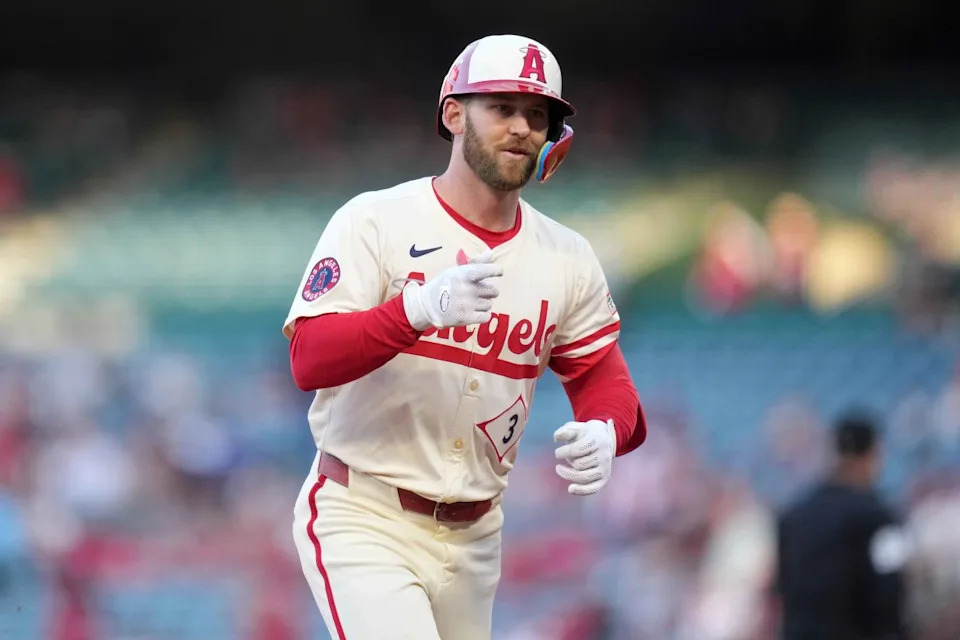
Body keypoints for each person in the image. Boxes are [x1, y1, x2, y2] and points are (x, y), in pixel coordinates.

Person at [281, 34, 647, 640]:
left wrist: (609, 429)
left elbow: (606, 380)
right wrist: (416, 309)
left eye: (538, 114)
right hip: (364, 510)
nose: (522, 127)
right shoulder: (375, 219)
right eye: (501, 108)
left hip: (477, 535)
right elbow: (308, 358)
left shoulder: (568, 256)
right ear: (454, 113)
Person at [775, 410, 910, 640]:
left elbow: (782, 587)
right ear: (872, 455)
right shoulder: (881, 519)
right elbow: (891, 589)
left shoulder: (793, 516)